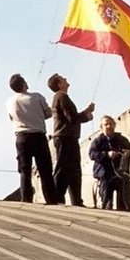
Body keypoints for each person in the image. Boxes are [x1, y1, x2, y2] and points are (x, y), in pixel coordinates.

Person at [6, 73, 55, 203]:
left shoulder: (10, 101)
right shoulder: (37, 97)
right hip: (38, 136)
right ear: (23, 84)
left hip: (21, 137)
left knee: (24, 171)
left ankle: (26, 199)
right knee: (45, 170)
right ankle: (51, 199)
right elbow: (48, 113)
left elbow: (11, 118)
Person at [48, 73, 94, 206]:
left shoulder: (60, 98)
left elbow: (71, 117)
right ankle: (57, 197)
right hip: (65, 137)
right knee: (64, 168)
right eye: (62, 79)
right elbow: (72, 118)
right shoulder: (61, 97)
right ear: (59, 84)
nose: (66, 79)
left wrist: (86, 112)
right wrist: (86, 115)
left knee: (72, 169)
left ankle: (74, 199)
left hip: (67, 137)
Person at [88, 116, 130, 210]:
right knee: (107, 203)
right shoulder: (98, 141)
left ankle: (125, 210)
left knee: (125, 202)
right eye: (106, 124)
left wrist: (128, 152)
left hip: (120, 174)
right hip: (104, 175)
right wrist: (106, 155)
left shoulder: (121, 139)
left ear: (114, 126)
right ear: (101, 127)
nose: (108, 126)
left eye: (111, 124)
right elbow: (92, 154)